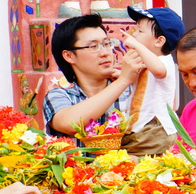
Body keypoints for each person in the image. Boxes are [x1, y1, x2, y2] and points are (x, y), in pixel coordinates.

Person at [43, 14, 145, 146]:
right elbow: (70, 123)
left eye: (106, 44)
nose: (105, 53)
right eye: (93, 46)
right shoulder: (58, 96)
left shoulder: (132, 92)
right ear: (69, 56)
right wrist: (124, 80)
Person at [119, 6, 185, 156]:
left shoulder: (164, 60)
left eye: (140, 31)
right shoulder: (147, 61)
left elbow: (159, 71)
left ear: (159, 41)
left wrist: (136, 45)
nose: (134, 34)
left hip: (155, 126)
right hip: (141, 125)